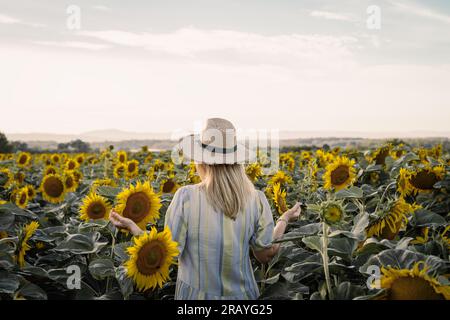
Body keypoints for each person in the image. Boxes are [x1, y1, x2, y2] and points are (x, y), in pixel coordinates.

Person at [109, 118, 301, 299]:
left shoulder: (186, 197)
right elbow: (265, 255)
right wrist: (284, 219)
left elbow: (168, 252)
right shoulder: (256, 199)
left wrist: (135, 229)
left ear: (201, 160)